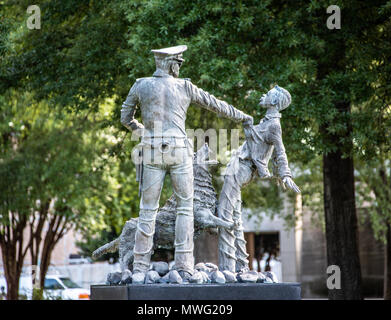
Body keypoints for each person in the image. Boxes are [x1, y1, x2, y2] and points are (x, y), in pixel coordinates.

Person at [120, 45, 253, 280]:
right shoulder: (184, 87)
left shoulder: (140, 85)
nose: (179, 67)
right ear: (171, 64)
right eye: (178, 63)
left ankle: (140, 267)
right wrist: (242, 116)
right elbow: (216, 104)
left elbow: (125, 117)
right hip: (179, 151)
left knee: (147, 210)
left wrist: (143, 131)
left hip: (151, 151)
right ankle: (183, 265)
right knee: (184, 208)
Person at [218, 85, 300, 273]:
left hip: (244, 169)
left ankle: (227, 268)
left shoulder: (273, 126)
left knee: (225, 212)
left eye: (268, 94)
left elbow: (280, 151)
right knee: (234, 215)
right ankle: (239, 265)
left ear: (273, 102)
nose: (263, 95)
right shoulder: (265, 121)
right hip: (238, 165)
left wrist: (285, 174)